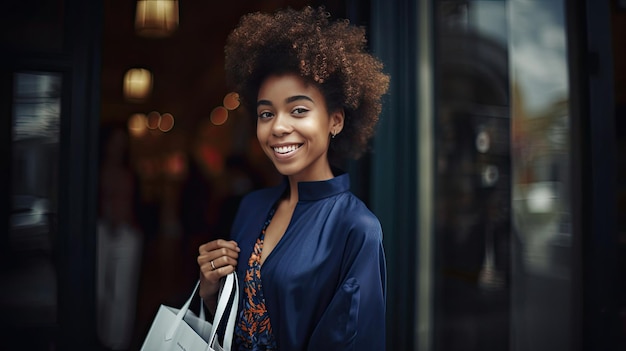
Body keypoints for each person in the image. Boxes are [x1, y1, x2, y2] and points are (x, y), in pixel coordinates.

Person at [197, 6, 390, 350]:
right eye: (266, 113)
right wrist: (212, 293)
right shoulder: (251, 207)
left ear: (336, 120)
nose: (279, 127)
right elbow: (238, 327)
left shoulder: (356, 229)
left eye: (298, 109)